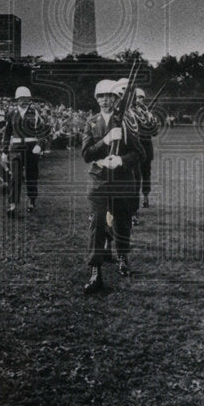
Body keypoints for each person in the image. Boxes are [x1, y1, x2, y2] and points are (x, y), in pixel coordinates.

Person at [81, 79, 145, 294]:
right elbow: (86, 154)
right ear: (96, 98)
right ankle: (95, 271)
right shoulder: (91, 122)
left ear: (117, 99)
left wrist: (121, 160)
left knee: (123, 222)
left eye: (109, 96)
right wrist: (106, 141)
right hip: (99, 179)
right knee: (98, 223)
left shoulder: (126, 120)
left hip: (122, 179)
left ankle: (122, 257)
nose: (105, 100)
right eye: (101, 96)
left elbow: (139, 153)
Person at [2, 86, 50, 217]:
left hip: (31, 147)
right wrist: (4, 150)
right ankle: (12, 204)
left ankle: (32, 200)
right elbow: (7, 133)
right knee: (15, 176)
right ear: (17, 100)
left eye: (26, 99)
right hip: (16, 148)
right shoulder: (12, 113)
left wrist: (39, 145)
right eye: (21, 99)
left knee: (31, 175)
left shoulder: (35, 112)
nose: (24, 101)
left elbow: (43, 131)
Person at [131, 87, 160, 219]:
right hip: (135, 147)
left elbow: (155, 132)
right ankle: (133, 206)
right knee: (134, 176)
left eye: (142, 98)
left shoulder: (147, 113)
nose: (140, 100)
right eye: (137, 97)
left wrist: (151, 120)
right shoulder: (130, 113)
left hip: (147, 146)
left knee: (146, 173)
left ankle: (146, 197)